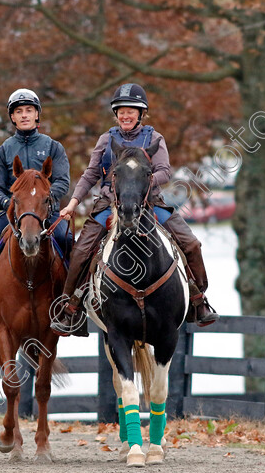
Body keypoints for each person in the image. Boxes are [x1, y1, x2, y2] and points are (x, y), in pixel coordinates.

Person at [52, 83, 218, 336]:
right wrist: (73, 203)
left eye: (131, 111)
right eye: (121, 111)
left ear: (141, 114)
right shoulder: (106, 140)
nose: (126, 115)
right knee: (81, 251)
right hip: (110, 204)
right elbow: (91, 174)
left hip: (149, 203)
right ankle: (70, 307)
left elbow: (165, 171)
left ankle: (198, 300)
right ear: (115, 114)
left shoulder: (155, 138)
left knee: (191, 244)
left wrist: (142, 181)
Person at [0, 88, 72, 320]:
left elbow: (62, 182)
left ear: (37, 115)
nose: (24, 115)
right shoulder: (3, 151)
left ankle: (74, 297)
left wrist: (42, 201)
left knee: (67, 240)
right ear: (12, 118)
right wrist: (11, 203)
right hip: (13, 214)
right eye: (19, 111)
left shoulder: (53, 147)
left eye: (29, 110)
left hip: (46, 212)